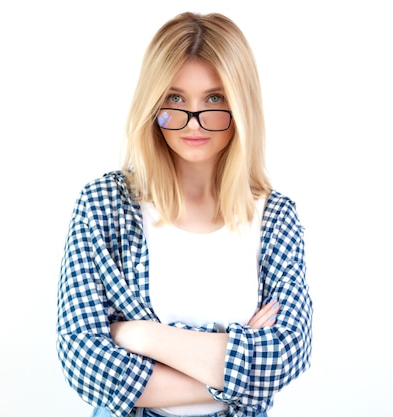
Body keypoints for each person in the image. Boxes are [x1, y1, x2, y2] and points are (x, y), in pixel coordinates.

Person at [56, 11, 313, 417]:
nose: (193, 122)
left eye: (214, 99)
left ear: (241, 105)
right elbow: (86, 365)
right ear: (152, 104)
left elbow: (287, 356)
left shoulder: (274, 217)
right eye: (175, 99)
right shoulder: (104, 204)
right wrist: (239, 369)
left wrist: (139, 335)